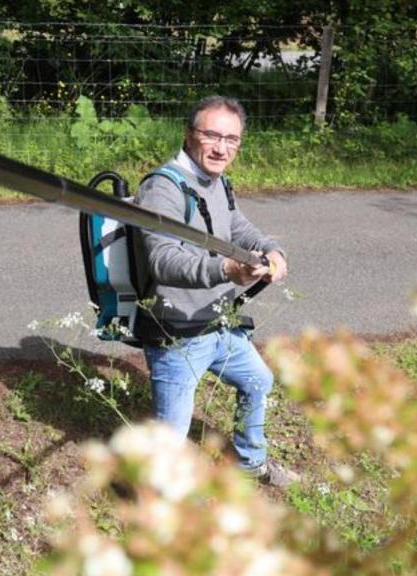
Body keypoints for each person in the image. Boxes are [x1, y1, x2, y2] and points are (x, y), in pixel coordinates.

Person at [134, 95, 298, 487]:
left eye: (232, 139)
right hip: (178, 332)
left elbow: (235, 226)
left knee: (258, 381)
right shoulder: (163, 188)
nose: (222, 147)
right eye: (212, 135)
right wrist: (226, 269)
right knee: (170, 440)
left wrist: (271, 249)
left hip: (218, 322)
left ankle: (250, 462)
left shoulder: (217, 182)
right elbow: (162, 260)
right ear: (189, 134)